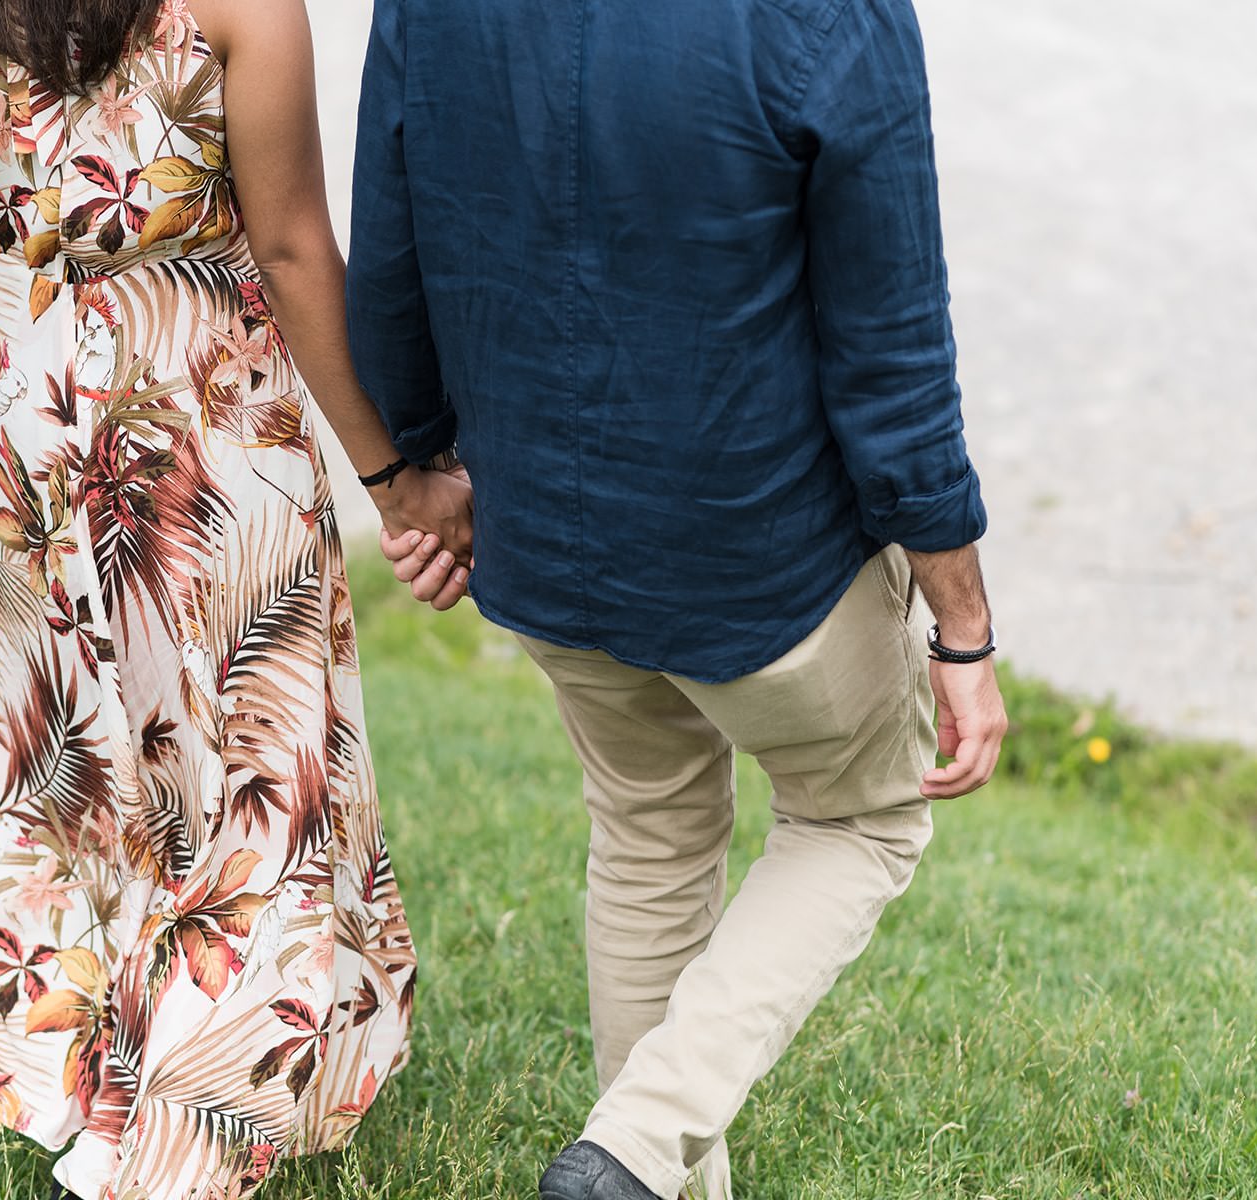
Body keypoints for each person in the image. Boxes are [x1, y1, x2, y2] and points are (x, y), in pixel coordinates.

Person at [0, 1, 471, 1196]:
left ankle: (89, 1076)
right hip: (203, 396)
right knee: (255, 749)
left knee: (74, 748)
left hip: (23, 398)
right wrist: (394, 474)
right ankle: (187, 1123)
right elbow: (292, 248)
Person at [348, 1, 1009, 1197]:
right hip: (761, 561)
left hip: (540, 536)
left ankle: (633, 1171)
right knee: (859, 820)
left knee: (649, 834)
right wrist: (964, 623)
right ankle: (636, 1150)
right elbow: (892, 349)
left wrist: (419, 471)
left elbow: (390, 252)